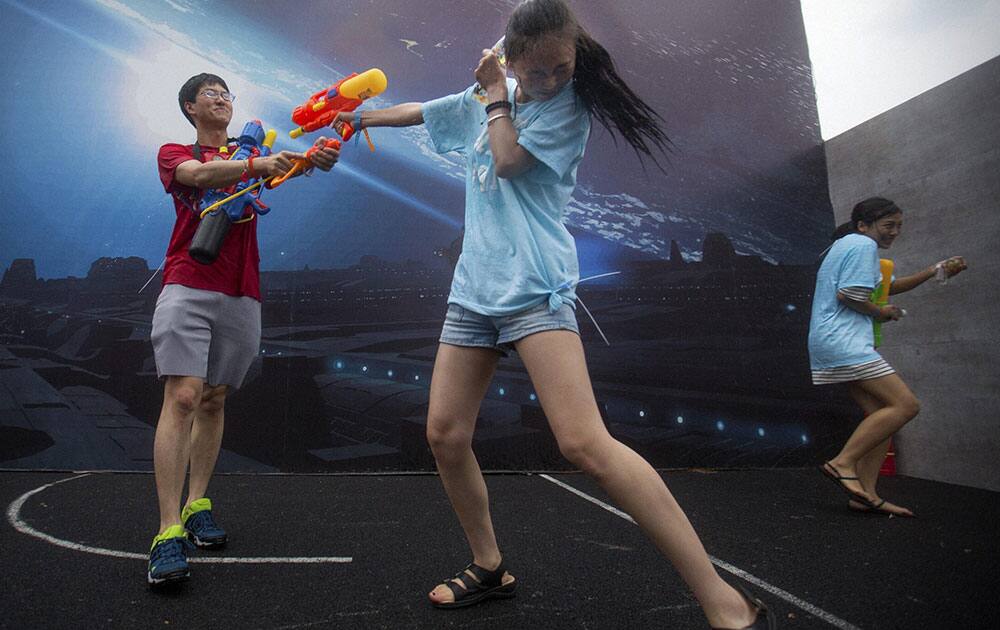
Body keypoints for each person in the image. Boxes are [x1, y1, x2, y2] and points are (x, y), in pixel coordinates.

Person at [338, 1, 773, 627]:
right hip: (473, 291)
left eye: (559, 69)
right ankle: (490, 566)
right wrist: (360, 118)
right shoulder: (498, 88)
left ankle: (721, 597)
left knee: (583, 443)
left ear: (573, 60)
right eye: (534, 72)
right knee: (444, 433)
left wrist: (495, 95)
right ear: (513, 60)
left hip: (535, 289)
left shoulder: (568, 109)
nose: (547, 82)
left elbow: (509, 161)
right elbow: (428, 111)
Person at [148, 73, 339, 587]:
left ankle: (197, 505)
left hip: (241, 290)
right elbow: (197, 176)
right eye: (210, 93)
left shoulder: (249, 154)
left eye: (227, 93)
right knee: (183, 397)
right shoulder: (174, 152)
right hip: (188, 281)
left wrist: (313, 158)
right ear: (190, 108)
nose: (222, 99)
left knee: (214, 399)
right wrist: (256, 162)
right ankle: (167, 532)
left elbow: (279, 170)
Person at [810, 197, 966, 517]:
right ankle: (842, 463)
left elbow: (886, 288)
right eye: (888, 225)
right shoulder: (862, 245)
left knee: (881, 415)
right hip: (845, 342)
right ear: (864, 225)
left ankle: (864, 494)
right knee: (907, 405)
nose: (895, 232)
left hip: (833, 341)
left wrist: (935, 271)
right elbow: (851, 295)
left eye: (899, 226)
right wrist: (881, 313)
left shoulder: (848, 246)